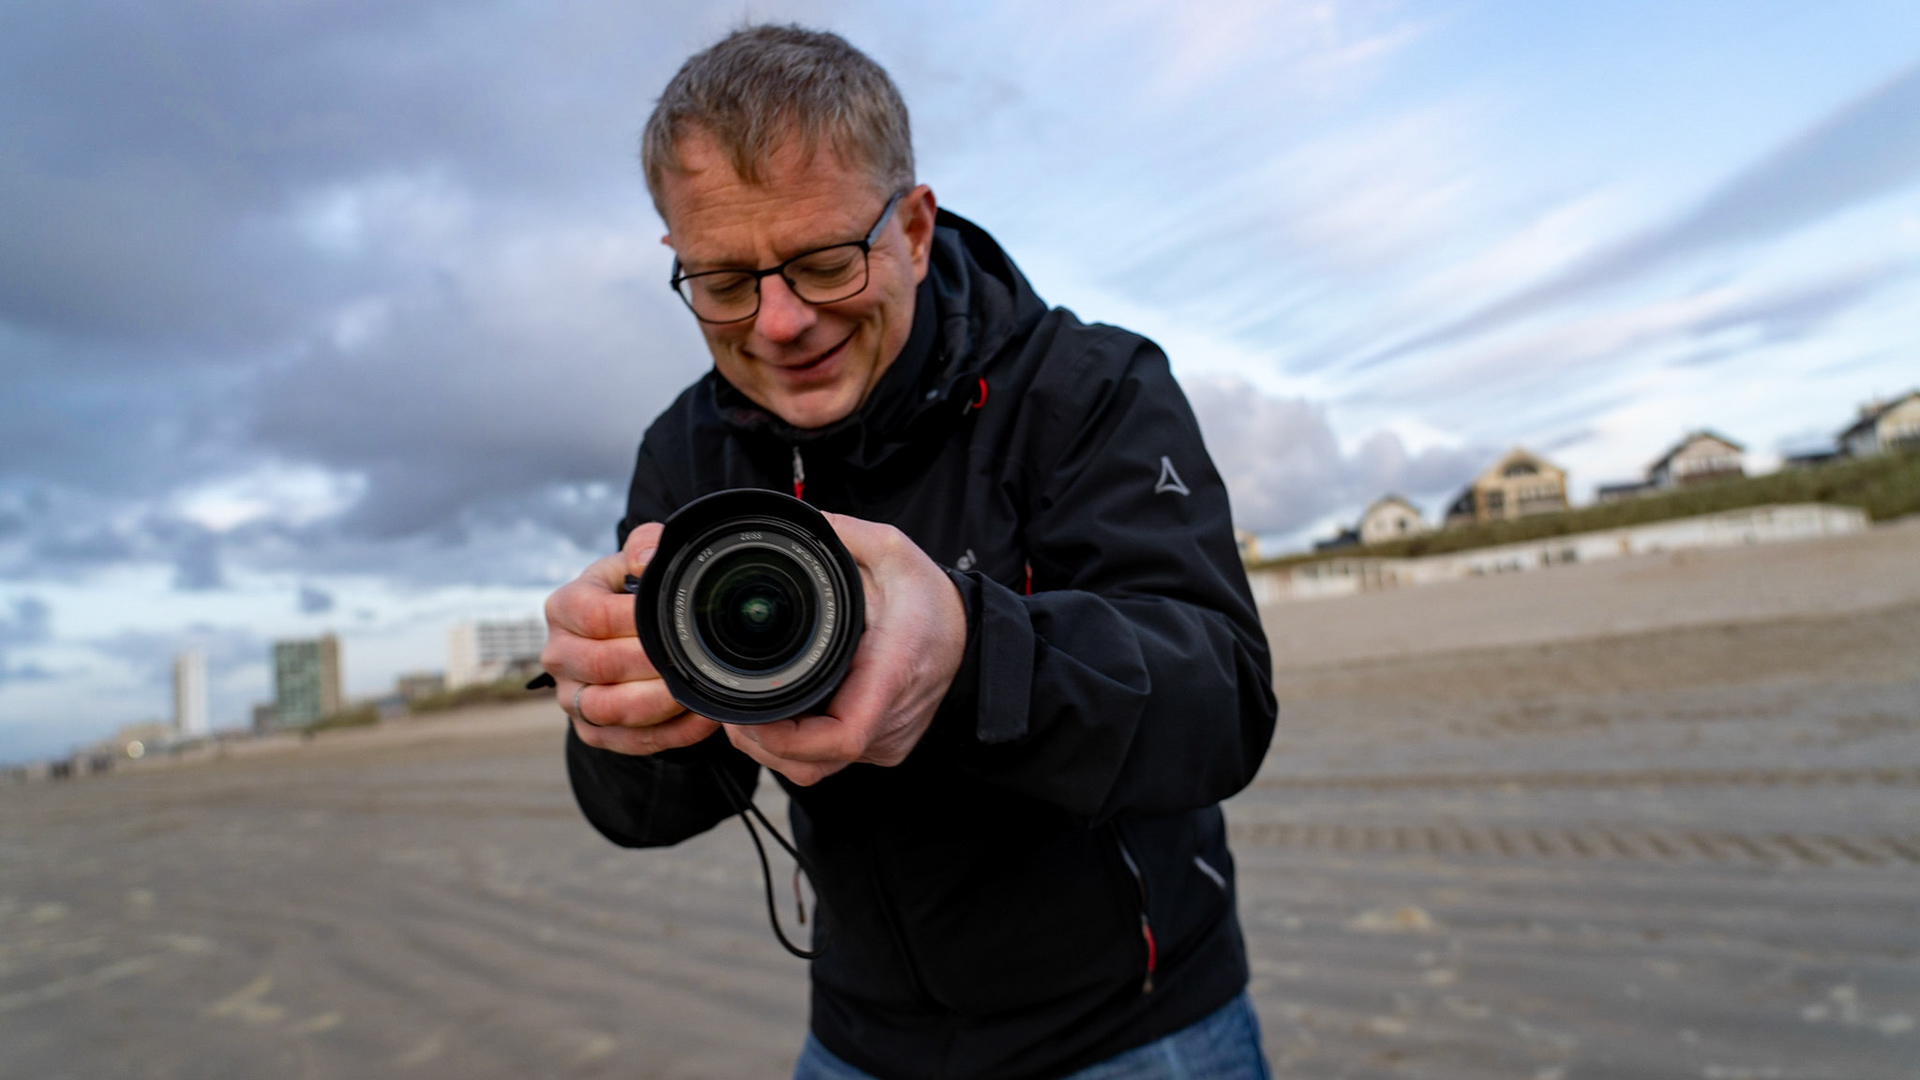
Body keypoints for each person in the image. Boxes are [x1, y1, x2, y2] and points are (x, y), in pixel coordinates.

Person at [540, 25, 1278, 1080]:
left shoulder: (1086, 388)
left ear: (916, 229)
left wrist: (969, 654)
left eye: (824, 264)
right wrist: (616, 708)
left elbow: (1224, 701)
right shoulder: (687, 454)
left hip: (1135, 1028)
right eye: (725, 281)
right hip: (861, 1036)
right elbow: (653, 816)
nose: (780, 322)